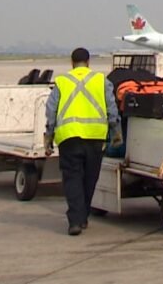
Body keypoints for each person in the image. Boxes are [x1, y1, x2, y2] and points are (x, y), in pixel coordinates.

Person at [44, 48, 121, 236]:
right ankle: (82, 216)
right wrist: (116, 132)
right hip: (95, 137)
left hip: (69, 137)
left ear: (72, 63)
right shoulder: (101, 80)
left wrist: (49, 136)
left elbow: (51, 111)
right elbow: (112, 108)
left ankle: (75, 221)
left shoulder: (62, 81)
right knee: (89, 179)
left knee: (72, 179)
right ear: (88, 62)